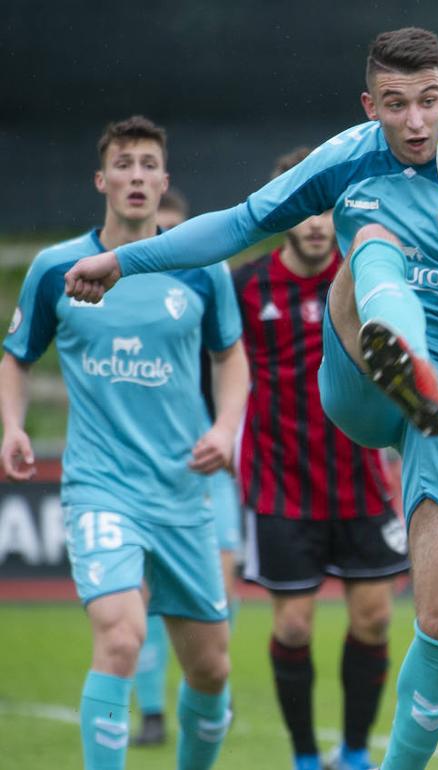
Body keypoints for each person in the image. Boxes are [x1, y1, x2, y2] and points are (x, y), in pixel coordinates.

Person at [64, 27, 438, 770]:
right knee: (369, 241)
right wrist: (127, 257)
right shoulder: (349, 160)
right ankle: (402, 351)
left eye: (426, 103)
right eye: (394, 105)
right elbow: (241, 225)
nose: (413, 123)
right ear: (369, 104)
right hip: (360, 370)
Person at [0, 116, 248, 769]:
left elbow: (231, 356)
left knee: (212, 670)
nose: (136, 176)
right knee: (121, 637)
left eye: (148, 165)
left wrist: (226, 429)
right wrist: (13, 426)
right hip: (102, 490)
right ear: (101, 179)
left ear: (164, 181)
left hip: (183, 495)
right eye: (124, 163)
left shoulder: (201, 269)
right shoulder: (58, 268)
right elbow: (16, 356)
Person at [234, 147, 410, 770]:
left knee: (372, 621)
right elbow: (219, 367)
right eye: (304, 207)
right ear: (285, 211)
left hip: (360, 481)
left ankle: (357, 754)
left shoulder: (370, 276)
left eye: (326, 207)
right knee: (293, 629)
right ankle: (307, 758)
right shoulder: (246, 286)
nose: (315, 222)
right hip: (280, 483)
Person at [131, 186, 246, 748]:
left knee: (220, 588)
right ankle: (152, 711)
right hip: (149, 466)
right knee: (149, 594)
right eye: (160, 237)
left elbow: (236, 365)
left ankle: (211, 690)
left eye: (178, 236)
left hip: (213, 458)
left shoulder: (210, 288)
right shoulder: (129, 299)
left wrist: (230, 435)